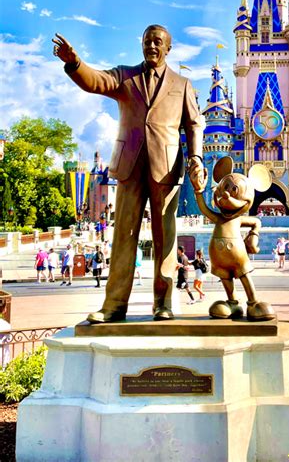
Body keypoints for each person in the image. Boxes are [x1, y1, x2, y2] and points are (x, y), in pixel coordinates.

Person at [53, 25, 206, 323]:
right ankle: (113, 306)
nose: (151, 46)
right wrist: (75, 63)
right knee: (124, 234)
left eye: (158, 42)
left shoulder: (183, 84)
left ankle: (163, 303)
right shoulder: (125, 75)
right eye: (147, 41)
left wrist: (197, 156)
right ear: (141, 45)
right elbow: (95, 81)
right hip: (129, 165)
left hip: (166, 167)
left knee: (166, 238)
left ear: (168, 48)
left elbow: (194, 124)